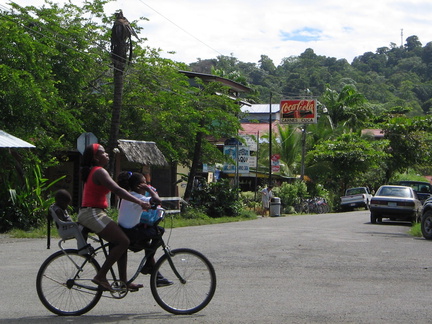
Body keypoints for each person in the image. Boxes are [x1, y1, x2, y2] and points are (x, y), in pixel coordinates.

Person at [77, 143, 150, 292]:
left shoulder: (96, 171)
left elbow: (118, 188)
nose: (107, 155)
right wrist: (139, 201)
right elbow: (116, 189)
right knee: (123, 241)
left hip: (96, 213)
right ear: (96, 158)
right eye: (103, 153)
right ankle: (100, 276)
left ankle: (123, 282)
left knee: (121, 241)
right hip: (91, 213)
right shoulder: (99, 172)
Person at [117, 171, 173, 287]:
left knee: (147, 241)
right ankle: (148, 265)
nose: (147, 185)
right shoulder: (137, 197)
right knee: (159, 231)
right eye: (145, 184)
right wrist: (150, 190)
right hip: (130, 233)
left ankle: (152, 270)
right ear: (140, 185)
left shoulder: (128, 195)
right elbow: (158, 201)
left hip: (125, 230)